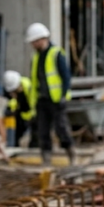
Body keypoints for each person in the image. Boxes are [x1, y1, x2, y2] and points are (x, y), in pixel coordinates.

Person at [26, 22, 75, 165]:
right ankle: (46, 160)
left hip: (56, 99)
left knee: (62, 129)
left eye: (34, 42)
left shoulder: (56, 53)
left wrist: (63, 96)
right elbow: (35, 79)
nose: (32, 45)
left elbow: (66, 77)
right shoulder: (35, 57)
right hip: (42, 100)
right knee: (43, 131)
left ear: (41, 39)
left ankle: (71, 155)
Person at [2, 69, 34, 146]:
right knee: (16, 134)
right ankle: (13, 144)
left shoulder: (28, 87)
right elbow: (11, 101)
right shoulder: (9, 88)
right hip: (20, 115)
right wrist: (11, 109)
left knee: (35, 137)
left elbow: (32, 104)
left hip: (31, 115)